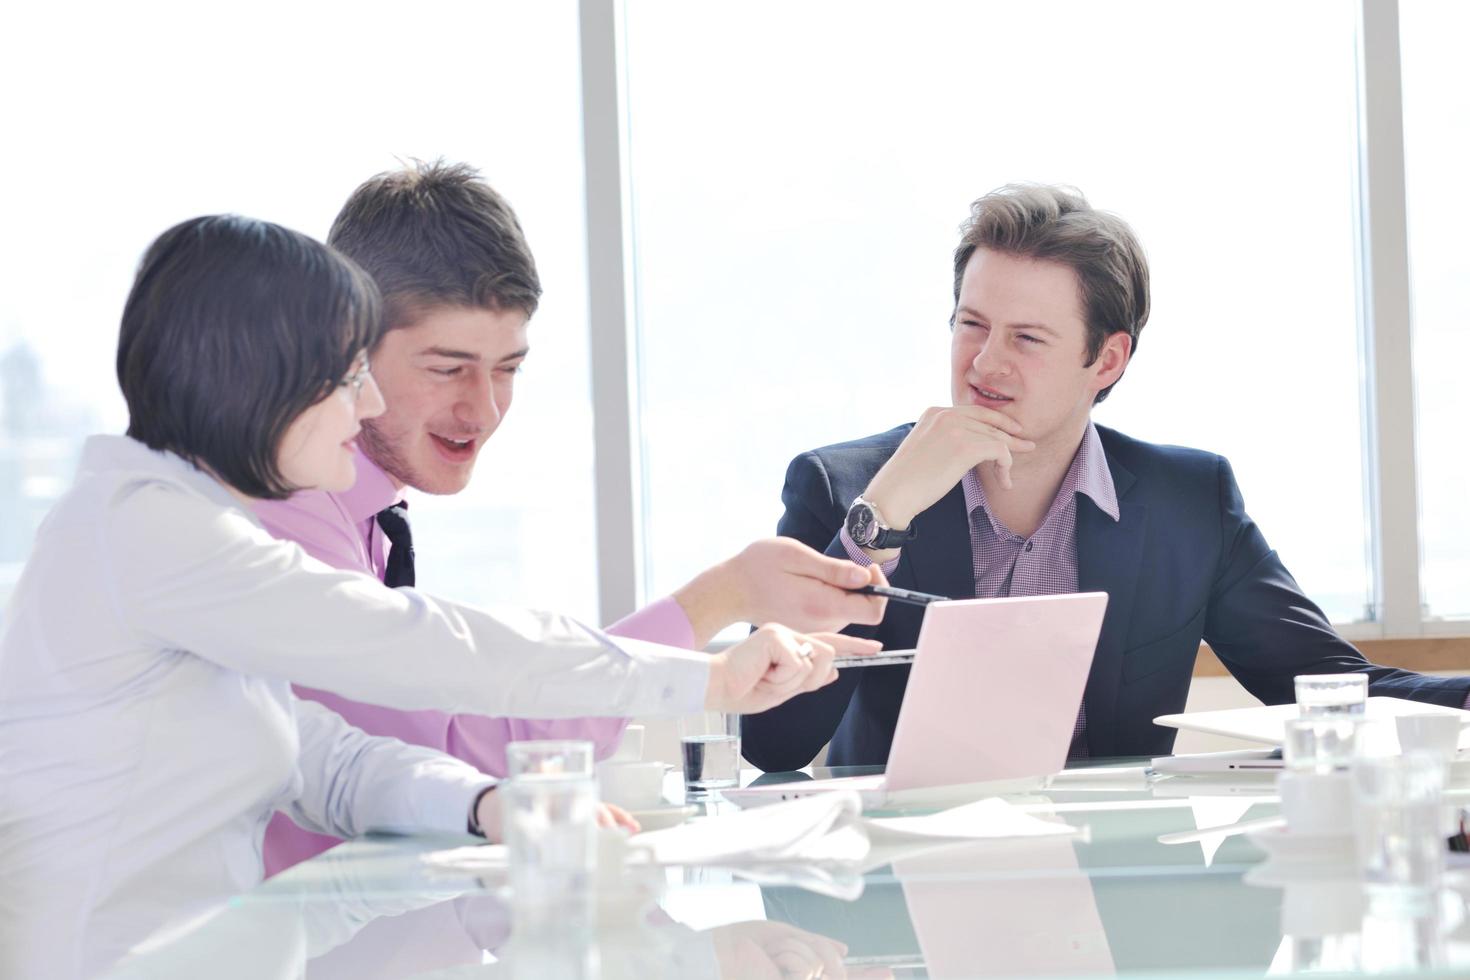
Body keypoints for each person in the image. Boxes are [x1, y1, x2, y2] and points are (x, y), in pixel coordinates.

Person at [0, 214, 873, 978]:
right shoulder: (145, 533)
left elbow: (328, 762)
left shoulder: (195, 546)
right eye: (347, 377)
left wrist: (486, 804)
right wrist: (701, 681)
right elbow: (420, 646)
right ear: (257, 382)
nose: (367, 402)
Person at [254, 160, 888, 872]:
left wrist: (731, 599)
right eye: (448, 367)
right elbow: (464, 757)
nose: (484, 409)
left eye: (507, 369)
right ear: (350, 346)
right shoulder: (293, 509)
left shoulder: (367, 512)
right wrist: (719, 602)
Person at [741, 183, 1470, 773]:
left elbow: (1327, 688)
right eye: (972, 324)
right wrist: (883, 518)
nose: (985, 363)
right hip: (896, 907)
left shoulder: (1189, 502)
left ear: (1108, 360)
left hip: (1112, 898)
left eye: (1027, 338)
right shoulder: (843, 489)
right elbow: (772, 746)